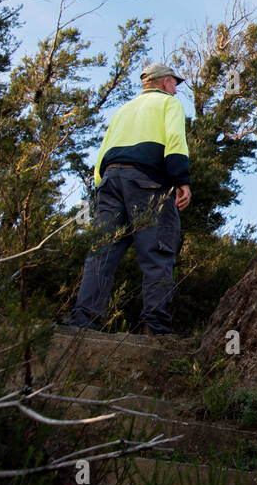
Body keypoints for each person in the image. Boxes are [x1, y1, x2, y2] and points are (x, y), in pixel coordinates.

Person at [67, 62, 192, 336]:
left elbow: (101, 155)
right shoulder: (169, 105)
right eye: (174, 82)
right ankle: (154, 328)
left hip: (110, 181)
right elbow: (174, 141)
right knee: (158, 252)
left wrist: (102, 187)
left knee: (101, 253)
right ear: (164, 82)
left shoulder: (123, 110)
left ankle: (83, 323)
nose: (176, 89)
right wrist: (182, 180)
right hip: (148, 182)